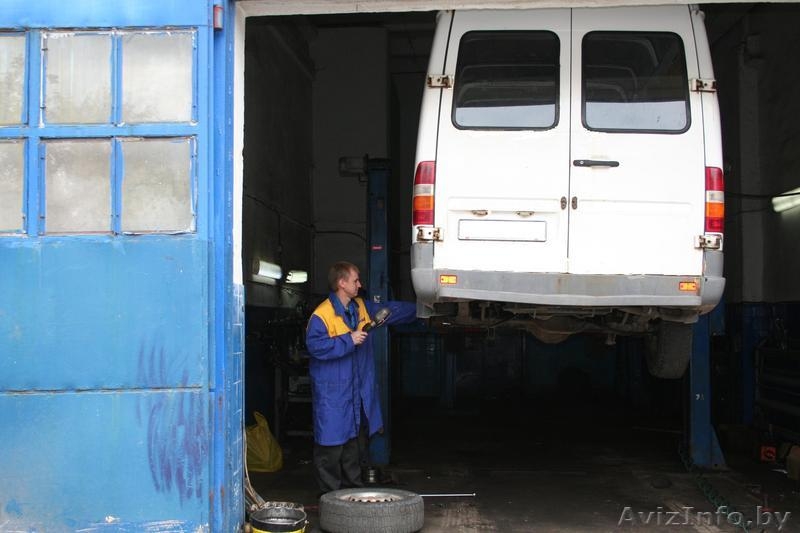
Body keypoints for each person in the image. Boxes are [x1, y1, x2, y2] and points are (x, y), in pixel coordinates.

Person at [305, 261, 416, 493]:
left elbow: (390, 311)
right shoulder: (321, 316)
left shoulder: (360, 308)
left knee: (353, 447)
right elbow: (315, 347)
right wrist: (349, 340)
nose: (360, 284)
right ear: (341, 283)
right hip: (333, 395)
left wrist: (425, 308)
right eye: (355, 280)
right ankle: (330, 501)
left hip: (355, 394)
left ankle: (353, 497)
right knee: (331, 449)